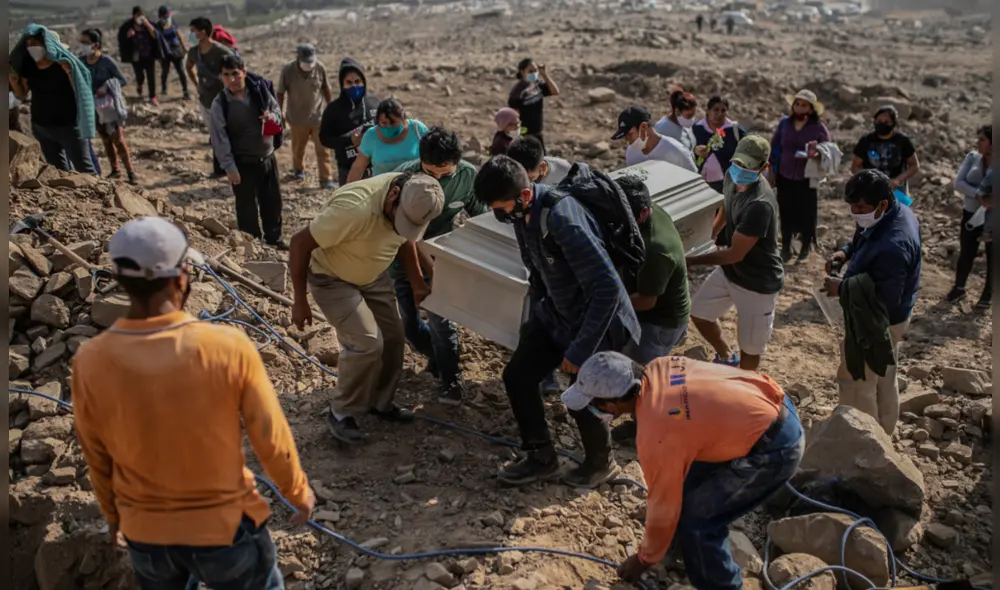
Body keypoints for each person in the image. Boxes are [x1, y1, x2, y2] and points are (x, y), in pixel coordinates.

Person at [72, 216, 315, 590]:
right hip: (223, 528)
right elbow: (269, 434)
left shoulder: (90, 360)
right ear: (182, 275)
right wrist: (296, 491)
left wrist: (113, 515)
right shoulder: (226, 346)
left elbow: (96, 454)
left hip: (146, 534)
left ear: (120, 280)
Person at [559, 352, 803, 590]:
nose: (592, 409)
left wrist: (644, 559)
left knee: (699, 522)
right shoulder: (660, 366)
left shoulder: (658, 432)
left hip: (774, 448)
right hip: (768, 404)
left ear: (615, 402)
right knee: (687, 485)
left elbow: (663, 503)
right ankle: (680, 553)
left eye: (593, 404)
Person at [473, 156, 640, 488]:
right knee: (518, 375)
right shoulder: (522, 216)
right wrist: (536, 320)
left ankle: (599, 464)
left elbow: (606, 288)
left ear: (523, 196)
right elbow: (536, 271)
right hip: (558, 314)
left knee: (584, 392)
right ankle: (541, 457)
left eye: (502, 208)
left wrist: (579, 351)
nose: (500, 216)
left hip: (598, 322)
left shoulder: (563, 221)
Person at [288, 173, 444, 444]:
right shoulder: (353, 210)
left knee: (395, 338)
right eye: (400, 221)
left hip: (372, 274)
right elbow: (299, 243)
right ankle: (342, 413)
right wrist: (299, 300)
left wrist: (418, 282)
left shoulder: (414, 199)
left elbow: (405, 240)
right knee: (367, 342)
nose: (401, 227)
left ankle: (379, 402)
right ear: (394, 195)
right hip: (331, 277)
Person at [392, 127, 487, 404]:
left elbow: (480, 217)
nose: (437, 180)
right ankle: (436, 356)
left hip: (441, 258)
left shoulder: (468, 176)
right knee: (410, 326)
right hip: (404, 258)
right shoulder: (403, 177)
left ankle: (450, 378)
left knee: (441, 321)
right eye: (430, 173)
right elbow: (398, 233)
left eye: (445, 175)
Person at [824, 170, 922, 434]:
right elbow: (863, 233)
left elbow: (887, 298)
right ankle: (885, 431)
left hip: (879, 321)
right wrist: (845, 252)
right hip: (892, 318)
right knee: (884, 376)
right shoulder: (891, 210)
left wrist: (842, 288)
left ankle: (864, 441)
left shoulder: (894, 245)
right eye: (852, 207)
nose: (855, 213)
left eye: (860, 208)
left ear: (882, 205)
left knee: (858, 380)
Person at [686, 136, 782, 371]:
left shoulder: (760, 204)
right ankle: (726, 356)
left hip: (757, 282)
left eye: (748, 166)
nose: (740, 170)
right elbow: (726, 209)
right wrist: (711, 235)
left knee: (750, 349)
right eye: (738, 163)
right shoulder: (731, 176)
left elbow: (734, 254)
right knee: (699, 313)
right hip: (731, 273)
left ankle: (744, 385)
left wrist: (690, 261)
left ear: (763, 167)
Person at [504, 136, 573, 397]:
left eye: (528, 176)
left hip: (564, 258)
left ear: (542, 169)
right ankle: (546, 374)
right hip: (536, 259)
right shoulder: (511, 178)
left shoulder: (564, 172)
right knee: (538, 316)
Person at [210, 55, 286, 249]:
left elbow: (277, 112)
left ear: (244, 72)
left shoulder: (259, 91)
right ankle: (252, 245)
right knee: (246, 207)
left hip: (267, 158)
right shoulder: (220, 104)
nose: (232, 79)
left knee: (272, 202)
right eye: (227, 75)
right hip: (242, 163)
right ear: (222, 77)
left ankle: (274, 240)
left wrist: (272, 117)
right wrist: (229, 167)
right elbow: (219, 139)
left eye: (236, 74)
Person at [615, 175, 690, 363]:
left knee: (636, 375)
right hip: (653, 303)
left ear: (642, 214)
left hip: (660, 323)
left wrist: (608, 303)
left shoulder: (656, 249)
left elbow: (647, 300)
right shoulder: (650, 210)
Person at [9, 25, 97, 175]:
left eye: (35, 44)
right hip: (42, 127)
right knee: (57, 170)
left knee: (85, 169)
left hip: (69, 127)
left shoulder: (63, 65)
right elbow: (22, 94)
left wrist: (70, 73)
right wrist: (12, 80)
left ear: (46, 44)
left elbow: (81, 92)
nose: (31, 47)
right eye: (28, 44)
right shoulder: (29, 66)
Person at [770, 89, 832, 262]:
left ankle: (806, 246)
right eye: (797, 104)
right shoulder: (784, 124)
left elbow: (829, 149)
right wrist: (772, 171)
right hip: (785, 173)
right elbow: (775, 147)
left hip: (807, 176)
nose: (799, 107)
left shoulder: (818, 128)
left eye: (803, 105)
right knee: (785, 210)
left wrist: (817, 154)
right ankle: (786, 247)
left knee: (806, 211)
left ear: (810, 109)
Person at [78, 29, 136, 184]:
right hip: (92, 107)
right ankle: (115, 169)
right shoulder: (81, 62)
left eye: (85, 42)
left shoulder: (107, 62)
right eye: (81, 42)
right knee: (105, 139)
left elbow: (122, 80)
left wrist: (106, 87)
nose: (82, 46)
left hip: (108, 107)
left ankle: (131, 173)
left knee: (118, 138)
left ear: (95, 45)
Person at [278, 44, 334, 188]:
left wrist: (333, 109)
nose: (309, 65)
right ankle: (298, 170)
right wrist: (280, 113)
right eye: (305, 62)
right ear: (298, 58)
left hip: (318, 118)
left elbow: (326, 89)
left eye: (311, 62)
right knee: (298, 149)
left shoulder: (320, 68)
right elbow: (280, 93)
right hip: (297, 119)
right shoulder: (288, 71)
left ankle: (325, 179)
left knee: (323, 150)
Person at [319, 58, 381, 187]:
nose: (354, 86)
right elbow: (325, 139)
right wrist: (350, 140)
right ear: (342, 84)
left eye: (358, 81)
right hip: (348, 170)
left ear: (364, 81)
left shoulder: (374, 103)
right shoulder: (333, 110)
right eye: (349, 82)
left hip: (376, 169)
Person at [948, 125, 992, 304]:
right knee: (966, 251)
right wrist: (978, 194)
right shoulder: (973, 157)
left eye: (982, 139)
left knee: (993, 256)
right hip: (971, 214)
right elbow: (958, 183)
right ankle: (958, 288)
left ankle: (988, 295)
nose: (978, 142)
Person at [186, 17, 235, 177]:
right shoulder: (194, 52)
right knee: (215, 134)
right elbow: (189, 67)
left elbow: (237, 70)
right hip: (205, 100)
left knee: (225, 133)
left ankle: (230, 167)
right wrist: (196, 84)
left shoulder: (222, 52)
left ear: (203, 32)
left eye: (193, 31)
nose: (191, 34)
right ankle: (220, 169)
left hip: (223, 100)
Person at [347, 98, 427, 182]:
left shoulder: (417, 129)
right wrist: (347, 190)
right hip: (382, 189)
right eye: (384, 123)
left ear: (403, 119)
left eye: (393, 123)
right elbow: (358, 167)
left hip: (414, 187)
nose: (388, 126)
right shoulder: (371, 136)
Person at [850, 105, 920, 195]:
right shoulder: (866, 140)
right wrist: (869, 180)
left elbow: (914, 165)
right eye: (879, 121)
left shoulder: (902, 141)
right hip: (871, 189)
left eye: (887, 122)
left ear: (894, 124)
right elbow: (855, 167)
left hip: (897, 189)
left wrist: (898, 180)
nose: (882, 124)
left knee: (898, 209)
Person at [614, 106, 697, 172]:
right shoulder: (631, 152)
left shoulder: (677, 151)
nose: (626, 139)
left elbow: (696, 183)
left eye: (629, 134)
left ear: (644, 128)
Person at [693, 96, 748, 193]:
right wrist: (695, 151)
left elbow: (748, 151)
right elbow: (686, 150)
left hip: (728, 184)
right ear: (708, 110)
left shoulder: (734, 130)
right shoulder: (697, 129)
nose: (719, 114)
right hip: (700, 183)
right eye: (716, 110)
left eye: (723, 111)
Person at [507, 58, 561, 153]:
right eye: (530, 71)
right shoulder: (517, 92)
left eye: (535, 70)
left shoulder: (537, 85)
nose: (534, 73)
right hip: (525, 134)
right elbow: (514, 115)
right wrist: (516, 136)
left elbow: (555, 91)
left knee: (543, 160)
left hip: (538, 132)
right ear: (522, 72)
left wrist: (544, 74)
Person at [118, 6, 163, 105]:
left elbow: (156, 36)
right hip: (136, 57)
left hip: (149, 55)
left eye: (141, 15)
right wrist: (128, 36)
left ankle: (152, 96)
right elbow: (122, 41)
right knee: (140, 75)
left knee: (151, 76)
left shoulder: (148, 25)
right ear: (133, 16)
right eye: (138, 15)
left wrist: (148, 25)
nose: (140, 17)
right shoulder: (127, 27)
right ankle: (139, 84)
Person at [506, 136, 572, 187]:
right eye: (520, 178)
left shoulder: (564, 171)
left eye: (531, 178)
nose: (526, 184)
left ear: (543, 167)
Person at [156, 5, 189, 100]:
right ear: (160, 17)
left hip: (176, 50)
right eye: (164, 17)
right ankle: (164, 89)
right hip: (165, 52)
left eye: (167, 17)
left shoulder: (173, 23)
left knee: (181, 71)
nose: (166, 19)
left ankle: (185, 92)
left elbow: (179, 35)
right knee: (165, 71)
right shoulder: (157, 26)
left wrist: (184, 46)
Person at [654, 88, 697, 153]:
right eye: (689, 116)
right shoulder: (662, 129)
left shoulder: (685, 125)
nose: (692, 119)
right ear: (677, 111)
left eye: (693, 115)